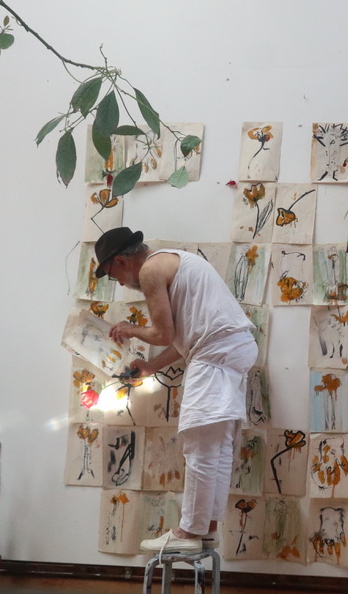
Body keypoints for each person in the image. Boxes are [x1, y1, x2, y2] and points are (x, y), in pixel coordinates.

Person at [93, 227, 257, 554]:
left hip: (215, 354)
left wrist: (130, 329)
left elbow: (163, 334)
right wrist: (151, 366)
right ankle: (207, 530)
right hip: (231, 349)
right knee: (216, 446)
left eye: (114, 275)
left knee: (199, 445)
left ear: (122, 261)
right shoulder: (175, 262)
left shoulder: (151, 269)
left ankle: (188, 532)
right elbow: (184, 338)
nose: (121, 284)